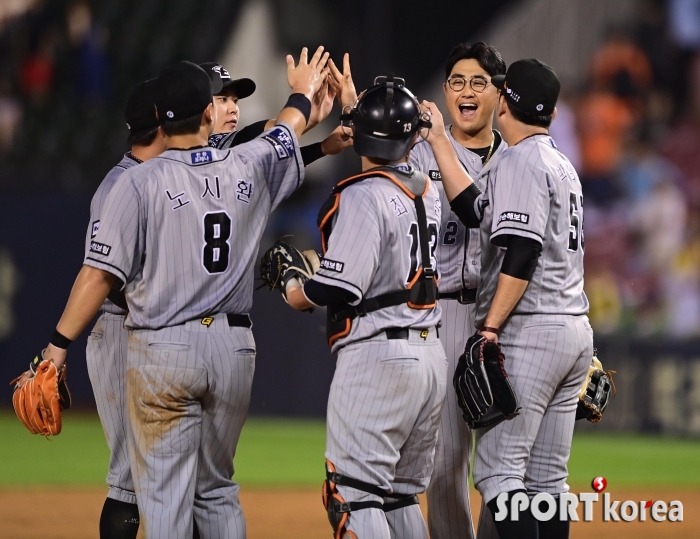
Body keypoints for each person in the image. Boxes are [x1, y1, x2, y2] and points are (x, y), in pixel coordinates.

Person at [35, 48, 331, 538]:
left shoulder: (139, 183)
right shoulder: (244, 167)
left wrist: (56, 348)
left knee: (164, 496)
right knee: (215, 491)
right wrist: (301, 95)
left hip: (163, 346)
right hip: (233, 347)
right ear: (207, 112)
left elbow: (98, 274)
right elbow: (286, 129)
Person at [421, 58, 593, 539]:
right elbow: (476, 210)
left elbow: (523, 250)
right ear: (552, 115)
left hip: (531, 328)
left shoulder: (518, 159)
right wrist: (438, 142)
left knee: (499, 474)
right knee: (547, 483)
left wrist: (490, 327)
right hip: (572, 327)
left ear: (503, 103)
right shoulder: (561, 164)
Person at [280, 70, 447, 539]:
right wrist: (360, 113)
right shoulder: (425, 191)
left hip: (380, 358)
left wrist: (295, 287)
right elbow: (386, 153)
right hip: (428, 354)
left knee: (351, 493)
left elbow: (340, 287)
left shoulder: (360, 195)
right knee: (396, 495)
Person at [408, 42, 506, 539]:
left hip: (502, 319)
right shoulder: (419, 151)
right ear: (445, 92)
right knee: (444, 465)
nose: (465, 92)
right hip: (442, 314)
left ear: (498, 92)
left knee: (504, 463)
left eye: (478, 82)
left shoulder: (520, 155)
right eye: (456, 82)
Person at [84, 78, 166, 539]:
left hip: (151, 334)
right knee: (128, 479)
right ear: (160, 124)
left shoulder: (164, 175)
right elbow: (104, 278)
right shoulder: (118, 185)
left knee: (173, 478)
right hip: (120, 331)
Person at [201, 61, 351, 163]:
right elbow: (275, 134)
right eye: (222, 99)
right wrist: (303, 91)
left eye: (235, 101)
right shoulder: (208, 148)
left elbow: (266, 164)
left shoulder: (224, 155)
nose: (233, 109)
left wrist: (321, 148)